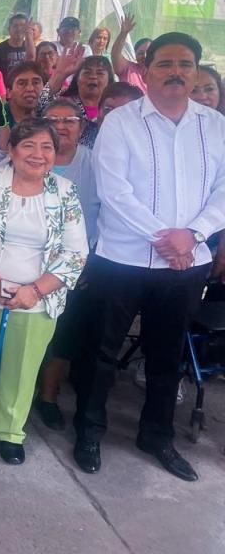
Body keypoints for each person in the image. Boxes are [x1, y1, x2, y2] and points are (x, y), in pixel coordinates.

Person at [73, 33, 225, 482]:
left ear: (197, 71)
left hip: (186, 263)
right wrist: (166, 238)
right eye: (165, 64)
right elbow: (113, 190)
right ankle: (89, 430)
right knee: (101, 351)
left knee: (167, 354)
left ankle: (156, 435)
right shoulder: (122, 122)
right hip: (122, 259)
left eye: (185, 64)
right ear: (146, 70)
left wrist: (193, 235)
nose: (175, 72)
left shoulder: (215, 126)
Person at [0, 118, 87, 465]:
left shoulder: (65, 190)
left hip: (38, 298)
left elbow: (76, 252)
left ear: (55, 154)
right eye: (28, 145)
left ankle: (10, 429)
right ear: (11, 150)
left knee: (23, 367)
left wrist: (35, 291)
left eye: (46, 147)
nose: (37, 154)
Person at [33, 98, 100, 431]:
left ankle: (47, 396)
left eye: (69, 120)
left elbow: (106, 217)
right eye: (52, 120)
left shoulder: (95, 164)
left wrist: (88, 262)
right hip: (26, 267)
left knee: (63, 335)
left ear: (82, 127)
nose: (60, 127)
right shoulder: (26, 158)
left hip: (75, 268)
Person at [0, 13, 34, 85]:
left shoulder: (31, 49)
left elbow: (32, 61)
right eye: (15, 26)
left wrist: (29, 36)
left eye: (22, 26)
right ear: (9, 29)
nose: (19, 29)